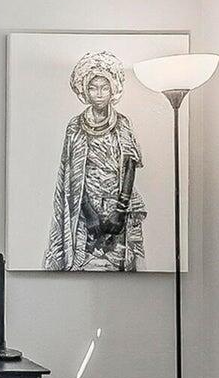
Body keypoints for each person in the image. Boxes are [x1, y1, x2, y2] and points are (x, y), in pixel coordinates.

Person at [43, 50, 146, 271]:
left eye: (104, 88)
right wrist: (89, 214)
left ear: (113, 90)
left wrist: (119, 210)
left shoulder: (122, 124)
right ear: (85, 91)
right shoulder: (75, 126)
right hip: (84, 209)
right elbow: (71, 174)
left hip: (117, 209)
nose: (99, 94)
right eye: (93, 88)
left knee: (120, 267)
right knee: (84, 265)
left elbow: (130, 164)